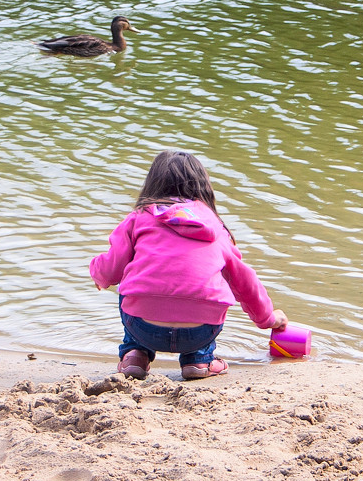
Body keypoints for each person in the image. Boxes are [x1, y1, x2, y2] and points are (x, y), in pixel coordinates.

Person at [89, 150, 287, 380]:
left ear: (152, 184)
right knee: (211, 287)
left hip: (143, 327)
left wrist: (99, 276)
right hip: (200, 330)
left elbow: (113, 267)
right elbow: (244, 281)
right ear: (202, 187)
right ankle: (198, 360)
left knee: (132, 283)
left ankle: (135, 354)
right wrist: (268, 318)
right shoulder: (215, 225)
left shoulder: (139, 218)